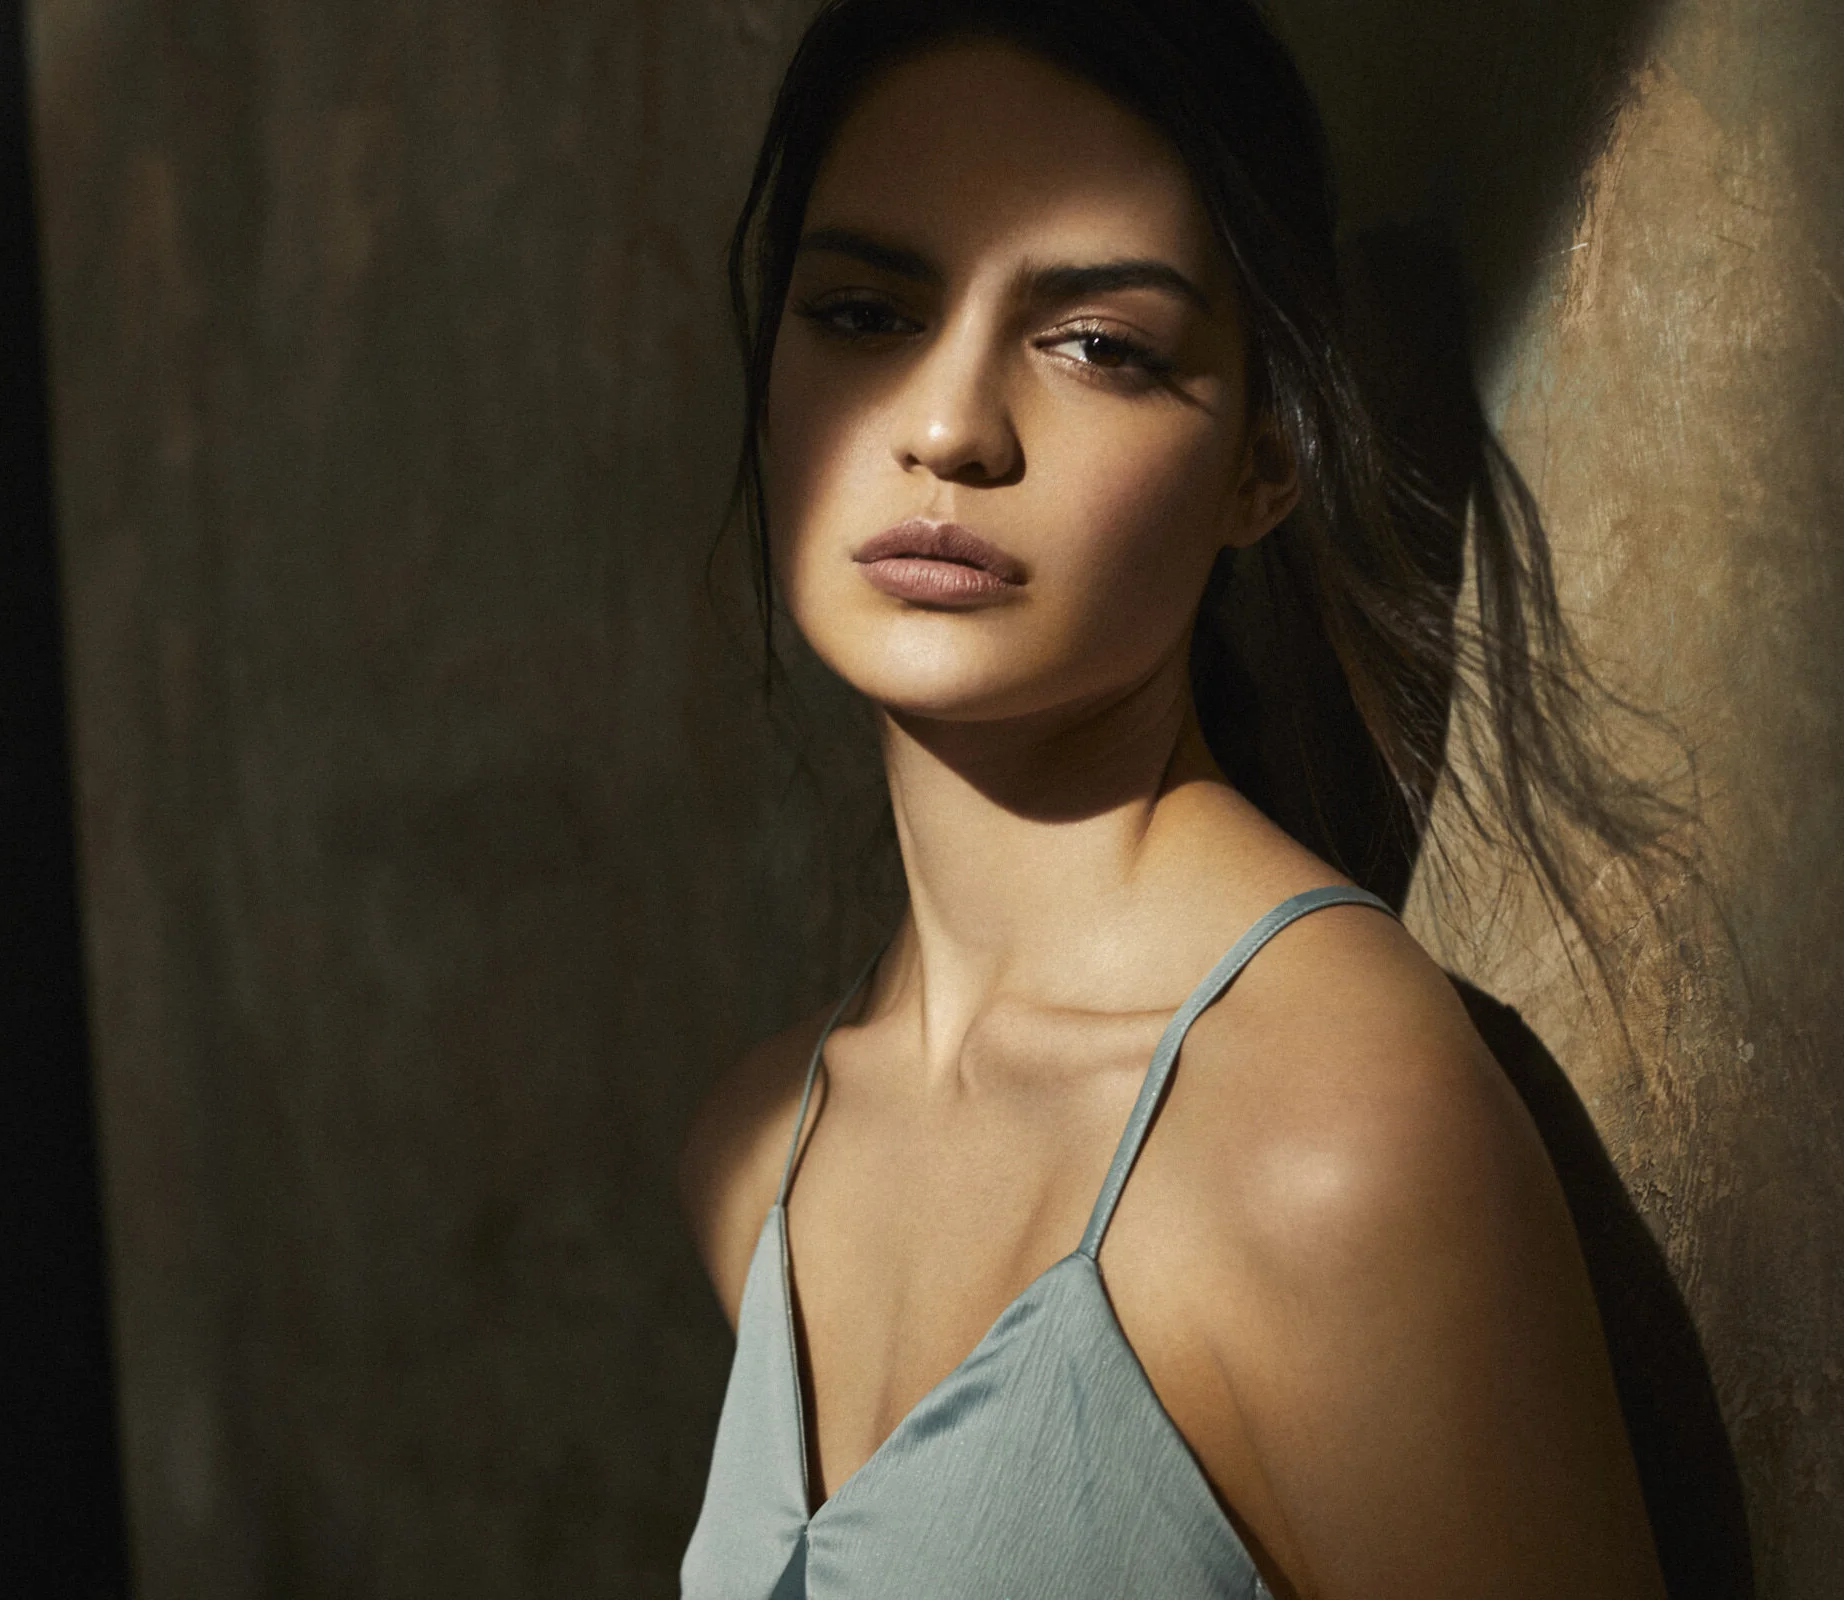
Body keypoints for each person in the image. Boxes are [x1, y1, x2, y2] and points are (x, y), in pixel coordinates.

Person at [675, 2, 1670, 1595]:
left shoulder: (1330, 1138)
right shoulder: (764, 1156)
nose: (943, 428)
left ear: (1268, 456)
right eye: (863, 312)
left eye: (1099, 346)